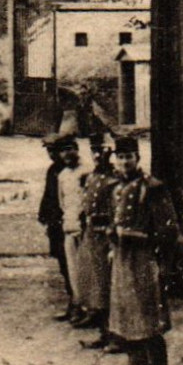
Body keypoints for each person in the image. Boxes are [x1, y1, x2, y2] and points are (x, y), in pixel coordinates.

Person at [108, 135, 181, 365]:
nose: (125, 162)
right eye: (120, 157)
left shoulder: (152, 187)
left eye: (129, 157)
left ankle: (158, 361)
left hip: (143, 255)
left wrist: (143, 240)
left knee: (147, 305)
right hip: (121, 255)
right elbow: (114, 219)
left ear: (137, 158)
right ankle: (135, 359)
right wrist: (113, 236)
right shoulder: (116, 187)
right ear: (115, 160)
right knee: (124, 306)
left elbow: (168, 227)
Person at [74, 135, 118, 340]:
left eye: (103, 151)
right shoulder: (90, 178)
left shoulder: (115, 179)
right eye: (95, 151)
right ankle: (102, 330)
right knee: (93, 285)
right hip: (91, 237)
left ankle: (112, 334)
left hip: (105, 238)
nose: (99, 155)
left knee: (106, 287)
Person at [37, 135, 76, 321]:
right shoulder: (53, 170)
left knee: (73, 267)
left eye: (55, 151)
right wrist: (44, 216)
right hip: (55, 226)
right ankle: (73, 303)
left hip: (68, 225)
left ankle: (78, 304)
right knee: (64, 265)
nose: (51, 155)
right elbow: (48, 195)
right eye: (49, 151)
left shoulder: (70, 171)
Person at [55, 137, 86, 324]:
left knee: (88, 270)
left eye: (69, 149)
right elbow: (62, 202)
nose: (66, 154)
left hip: (85, 228)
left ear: (76, 149)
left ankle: (91, 310)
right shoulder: (62, 175)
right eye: (63, 151)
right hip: (70, 225)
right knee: (73, 270)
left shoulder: (87, 171)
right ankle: (78, 306)